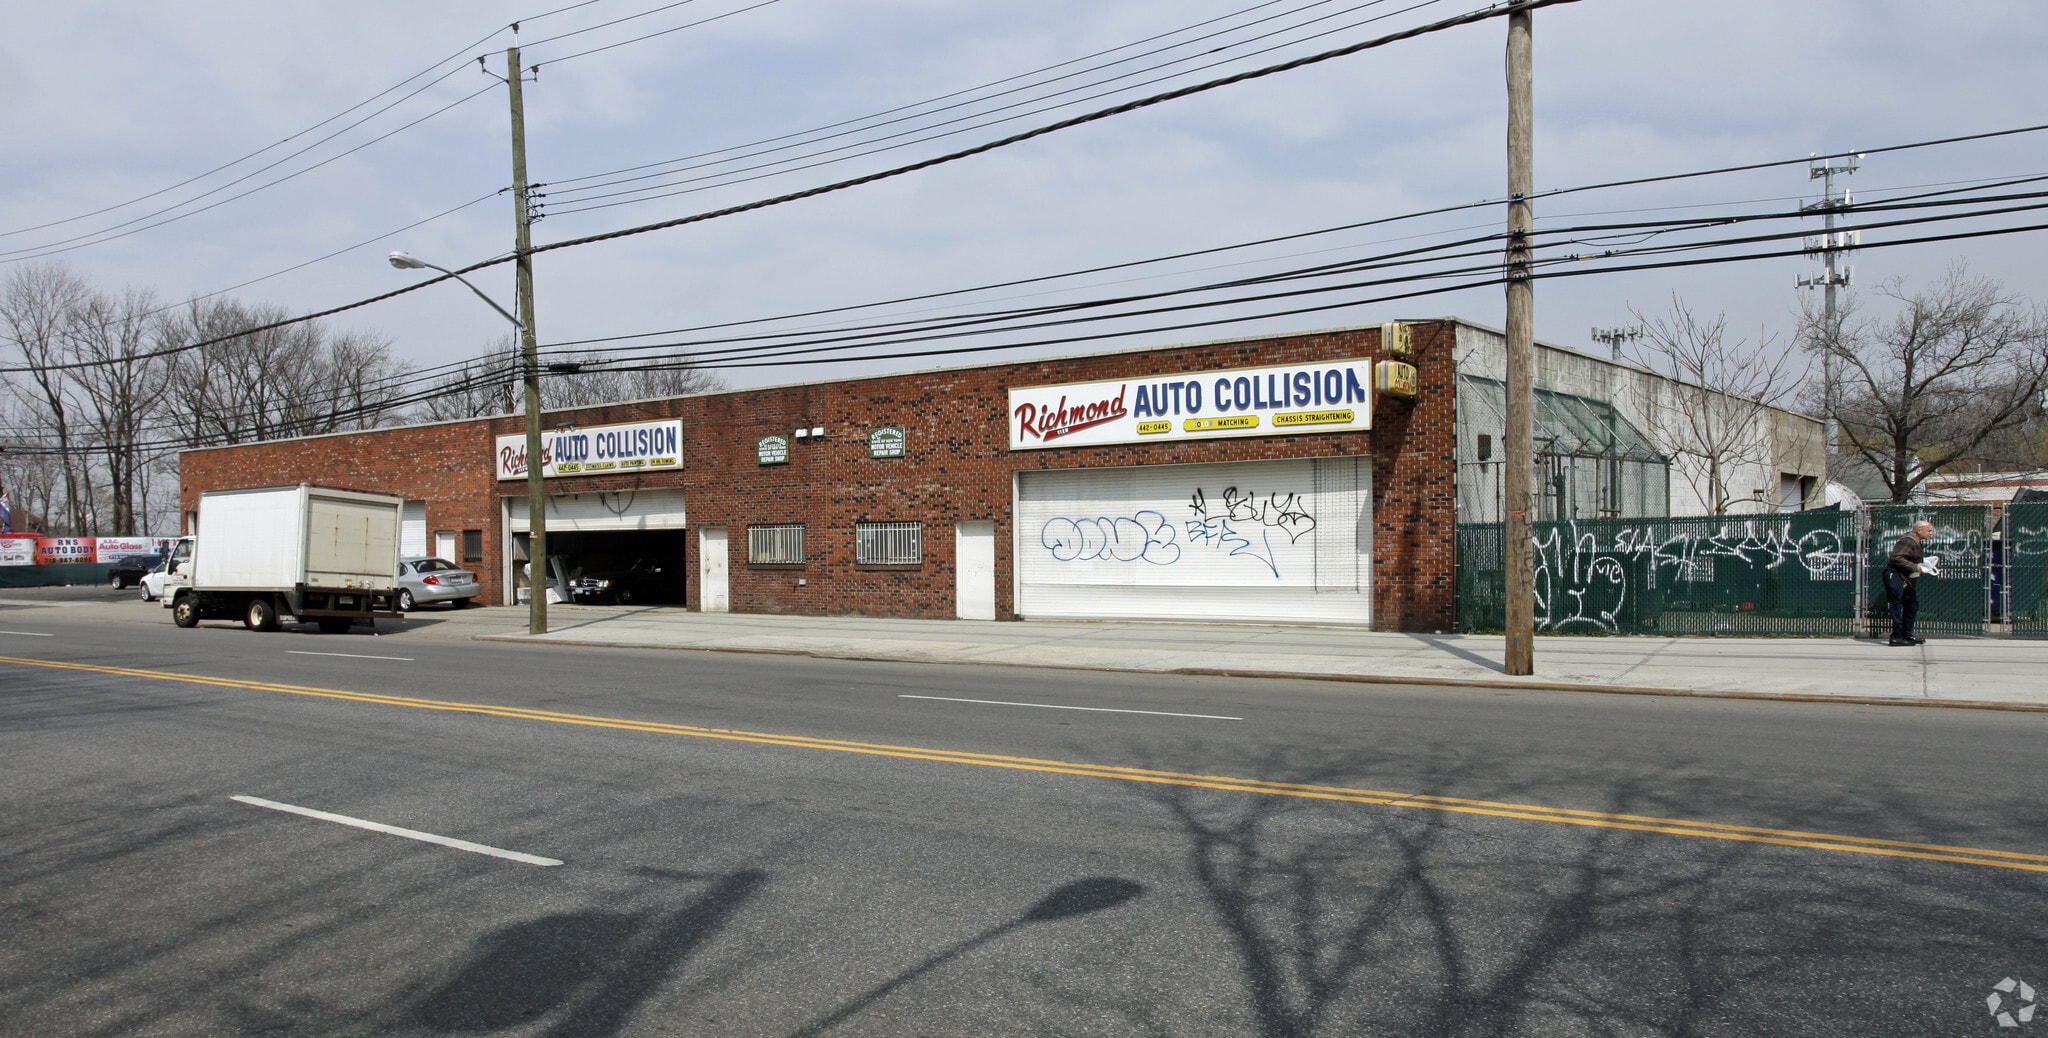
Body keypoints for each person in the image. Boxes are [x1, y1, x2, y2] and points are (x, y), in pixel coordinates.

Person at [1885, 519, 1935, 646]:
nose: (1931, 533)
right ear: (1919, 530)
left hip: (1905, 577)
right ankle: (1896, 636)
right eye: (1929, 531)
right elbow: (1896, 557)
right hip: (1895, 574)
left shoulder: (1916, 542)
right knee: (1896, 604)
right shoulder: (1908, 541)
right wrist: (1915, 567)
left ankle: (1906, 634)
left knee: (1912, 605)